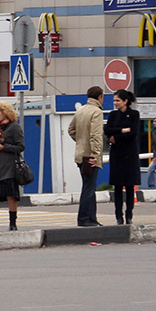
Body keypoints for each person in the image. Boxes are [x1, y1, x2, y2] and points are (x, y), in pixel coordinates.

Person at [68, 85, 105, 227]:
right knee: (89, 187)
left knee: (89, 185)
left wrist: (80, 142)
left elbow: (71, 130)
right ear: (100, 97)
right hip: (90, 156)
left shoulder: (81, 110)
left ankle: (92, 218)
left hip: (80, 155)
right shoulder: (96, 112)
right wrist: (95, 154)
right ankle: (84, 219)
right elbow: (96, 136)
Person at [0, 101, 25, 232]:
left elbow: (21, 146)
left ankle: (12, 223)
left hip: (9, 167)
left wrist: (4, 147)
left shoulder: (15, 128)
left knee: (11, 196)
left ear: (5, 113)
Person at [104, 89, 141, 225]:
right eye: (114, 100)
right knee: (117, 186)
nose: (115, 103)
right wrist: (121, 130)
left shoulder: (134, 114)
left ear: (125, 101)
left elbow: (133, 134)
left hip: (130, 154)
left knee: (130, 186)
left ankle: (129, 214)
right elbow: (107, 130)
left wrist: (116, 137)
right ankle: (118, 216)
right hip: (117, 155)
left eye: (117, 100)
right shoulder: (113, 115)